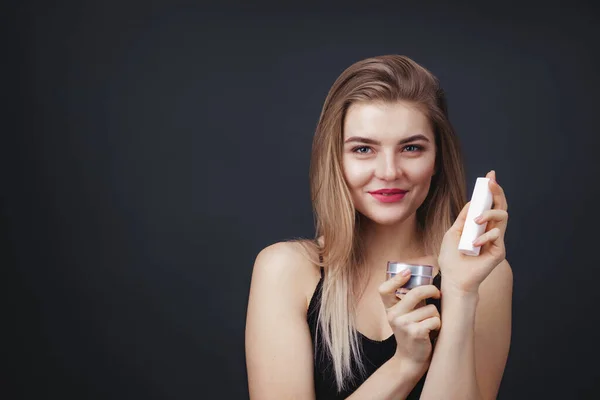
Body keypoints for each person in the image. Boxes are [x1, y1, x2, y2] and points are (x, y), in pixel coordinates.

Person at [245, 54, 512, 399]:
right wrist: (405, 364)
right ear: (336, 160)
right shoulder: (285, 270)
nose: (389, 171)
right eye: (363, 149)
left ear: (437, 160)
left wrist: (460, 294)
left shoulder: (484, 276)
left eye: (411, 148)